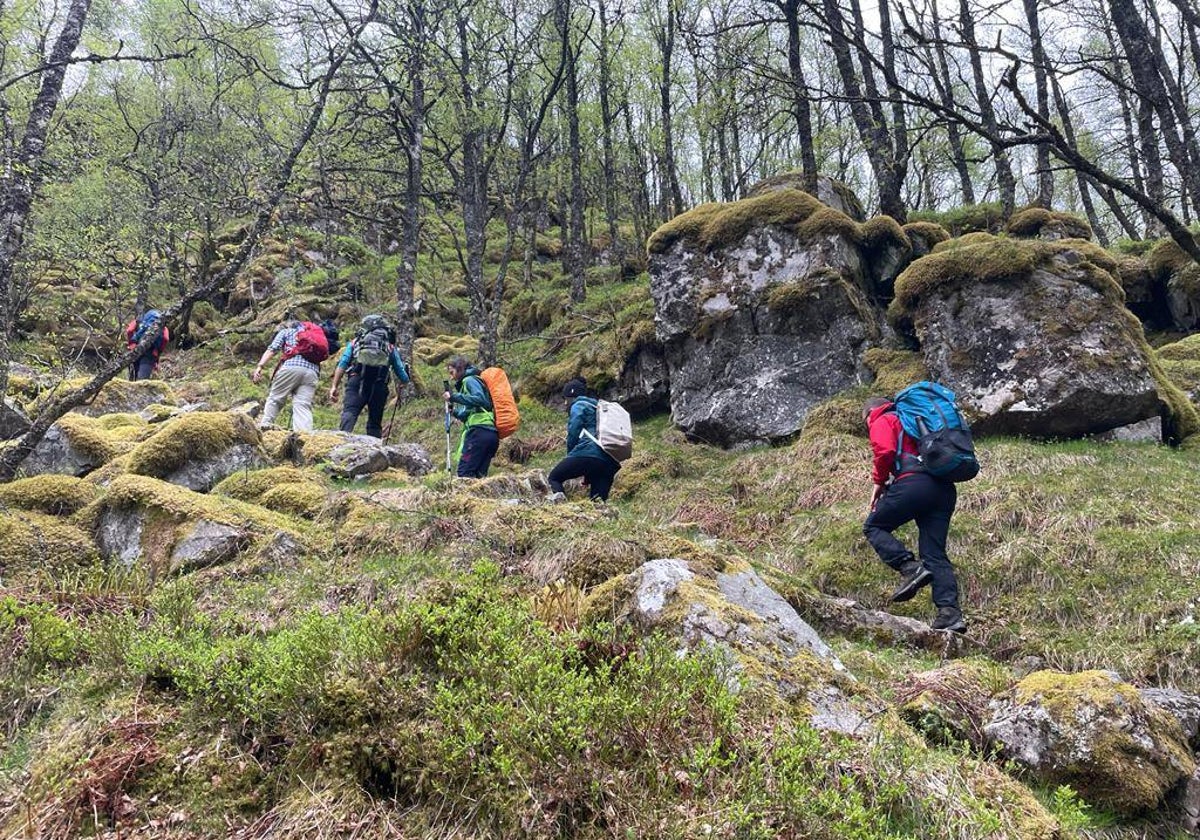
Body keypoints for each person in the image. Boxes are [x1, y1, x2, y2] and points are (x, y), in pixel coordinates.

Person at [862, 396, 966, 633]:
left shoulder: (883, 418)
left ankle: (910, 568)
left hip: (913, 483)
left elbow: (885, 451)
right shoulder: (920, 419)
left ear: (870, 413)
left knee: (874, 527)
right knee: (935, 554)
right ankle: (950, 613)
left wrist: (879, 481)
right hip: (944, 489)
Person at [328, 315, 411, 438]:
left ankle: (342, 441)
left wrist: (334, 386)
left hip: (357, 381)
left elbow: (343, 363)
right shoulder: (389, 347)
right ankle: (374, 450)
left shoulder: (356, 342)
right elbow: (402, 375)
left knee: (350, 412)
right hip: (379, 385)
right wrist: (405, 379)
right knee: (374, 422)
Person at [546, 377, 620, 502]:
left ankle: (562, 510)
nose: (565, 403)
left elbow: (574, 431)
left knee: (554, 478)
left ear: (571, 396)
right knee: (598, 501)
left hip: (587, 453)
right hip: (609, 460)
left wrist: (571, 455)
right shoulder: (597, 407)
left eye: (565, 399)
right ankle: (601, 519)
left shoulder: (578, 405)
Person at [252, 320, 321, 432]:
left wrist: (260, 366)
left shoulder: (286, 332)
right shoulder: (313, 338)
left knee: (275, 398)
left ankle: (266, 425)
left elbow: (272, 349)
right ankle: (303, 435)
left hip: (291, 367)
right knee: (303, 405)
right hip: (312, 372)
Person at [443, 356, 497, 478]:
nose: (451, 377)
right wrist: (454, 411)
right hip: (491, 434)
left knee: (464, 473)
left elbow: (479, 399)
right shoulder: (476, 381)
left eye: (452, 372)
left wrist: (453, 396)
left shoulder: (469, 380)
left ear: (460, 368)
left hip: (479, 433)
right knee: (479, 477)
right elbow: (468, 414)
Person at [125, 309, 170, 381]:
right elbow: (165, 339)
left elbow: (129, 330)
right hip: (150, 353)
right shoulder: (162, 326)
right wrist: (157, 356)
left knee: (132, 378)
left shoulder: (139, 320)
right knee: (142, 380)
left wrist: (131, 343)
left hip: (135, 349)